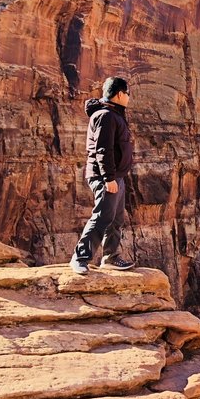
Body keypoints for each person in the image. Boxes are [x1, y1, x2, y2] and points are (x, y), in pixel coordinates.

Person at [70, 77, 136, 274]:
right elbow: (103, 149)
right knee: (102, 217)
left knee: (115, 220)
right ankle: (80, 258)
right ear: (119, 94)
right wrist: (108, 178)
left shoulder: (114, 114)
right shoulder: (105, 116)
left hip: (117, 176)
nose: (129, 98)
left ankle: (110, 258)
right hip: (105, 176)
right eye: (128, 94)